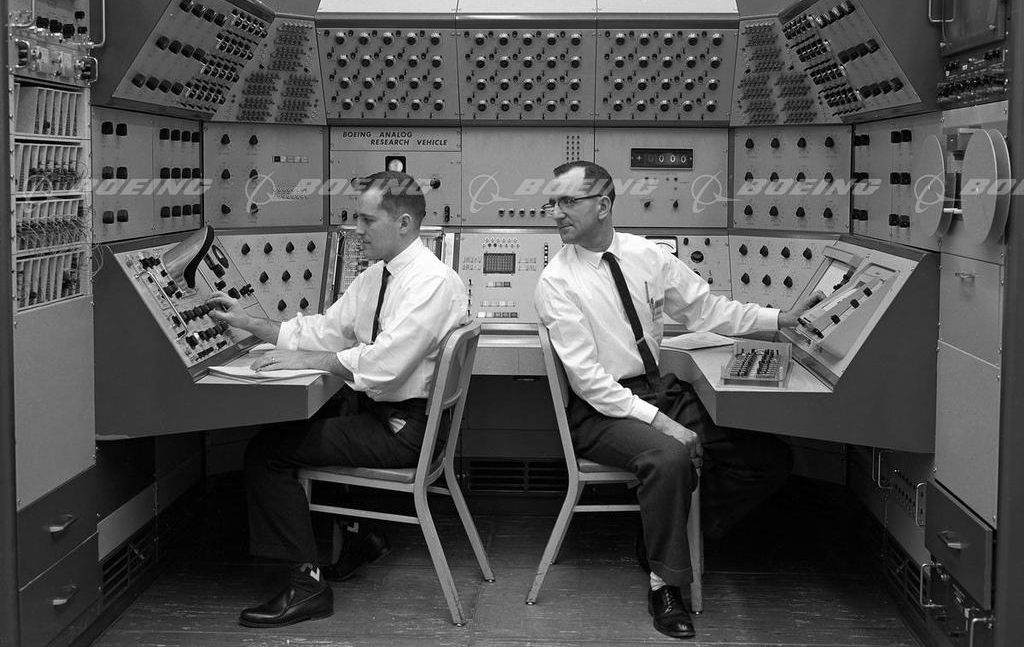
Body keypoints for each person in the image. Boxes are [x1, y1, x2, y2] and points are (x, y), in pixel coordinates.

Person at [534, 161, 822, 640]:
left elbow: (706, 310)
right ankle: (664, 584)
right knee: (669, 459)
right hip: (602, 410)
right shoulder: (557, 281)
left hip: (657, 390)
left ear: (603, 206)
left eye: (568, 201)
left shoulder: (647, 256)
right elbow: (588, 381)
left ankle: (664, 533)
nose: (556, 213)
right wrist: (663, 424)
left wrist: (778, 319)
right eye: (553, 203)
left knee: (765, 458)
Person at [208, 171, 468, 628]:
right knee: (311, 420)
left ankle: (307, 585)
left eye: (367, 220)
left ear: (404, 223)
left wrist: (308, 361)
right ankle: (362, 536)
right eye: (356, 218)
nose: (356, 229)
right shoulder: (377, 276)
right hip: (382, 413)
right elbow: (327, 329)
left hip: (405, 430)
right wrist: (253, 324)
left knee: (268, 453)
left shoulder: (431, 282)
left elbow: (385, 365)